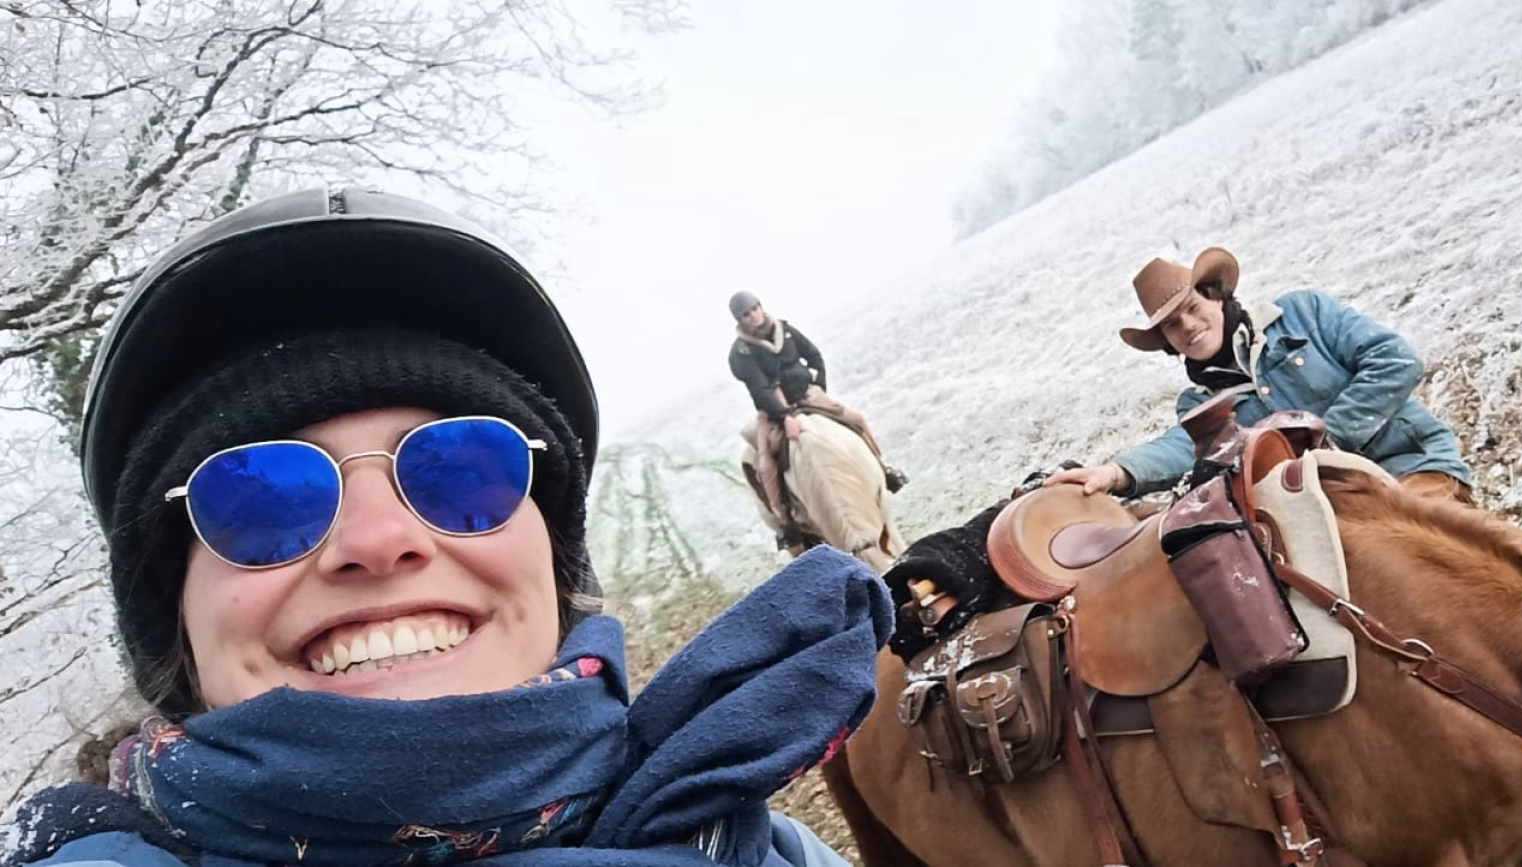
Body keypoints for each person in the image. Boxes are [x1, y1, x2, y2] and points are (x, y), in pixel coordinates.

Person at [5, 190, 889, 867]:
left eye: (462, 469)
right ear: (175, 624)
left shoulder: (770, 849)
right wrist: (779, 412)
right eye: (260, 500)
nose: (377, 538)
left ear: (552, 557)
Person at [1047, 247, 1474, 504]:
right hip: (1335, 504)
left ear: (1216, 296)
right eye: (1172, 326)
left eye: (1193, 308)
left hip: (1411, 465)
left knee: (1426, 558)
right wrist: (1116, 473)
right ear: (1167, 342)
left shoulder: (1303, 313)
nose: (1188, 326)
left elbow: (1396, 360)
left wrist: (1326, 441)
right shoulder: (1200, 404)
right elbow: (1184, 447)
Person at [726, 291, 906, 549]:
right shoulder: (741, 353)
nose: (753, 315)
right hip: (774, 411)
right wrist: (784, 416)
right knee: (765, 463)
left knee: (856, 420)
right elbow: (760, 390)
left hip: (807, 395)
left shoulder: (785, 330)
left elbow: (814, 356)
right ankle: (786, 521)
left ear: (761, 306)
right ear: (740, 320)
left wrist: (819, 386)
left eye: (755, 308)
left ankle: (885, 470)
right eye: (746, 314)